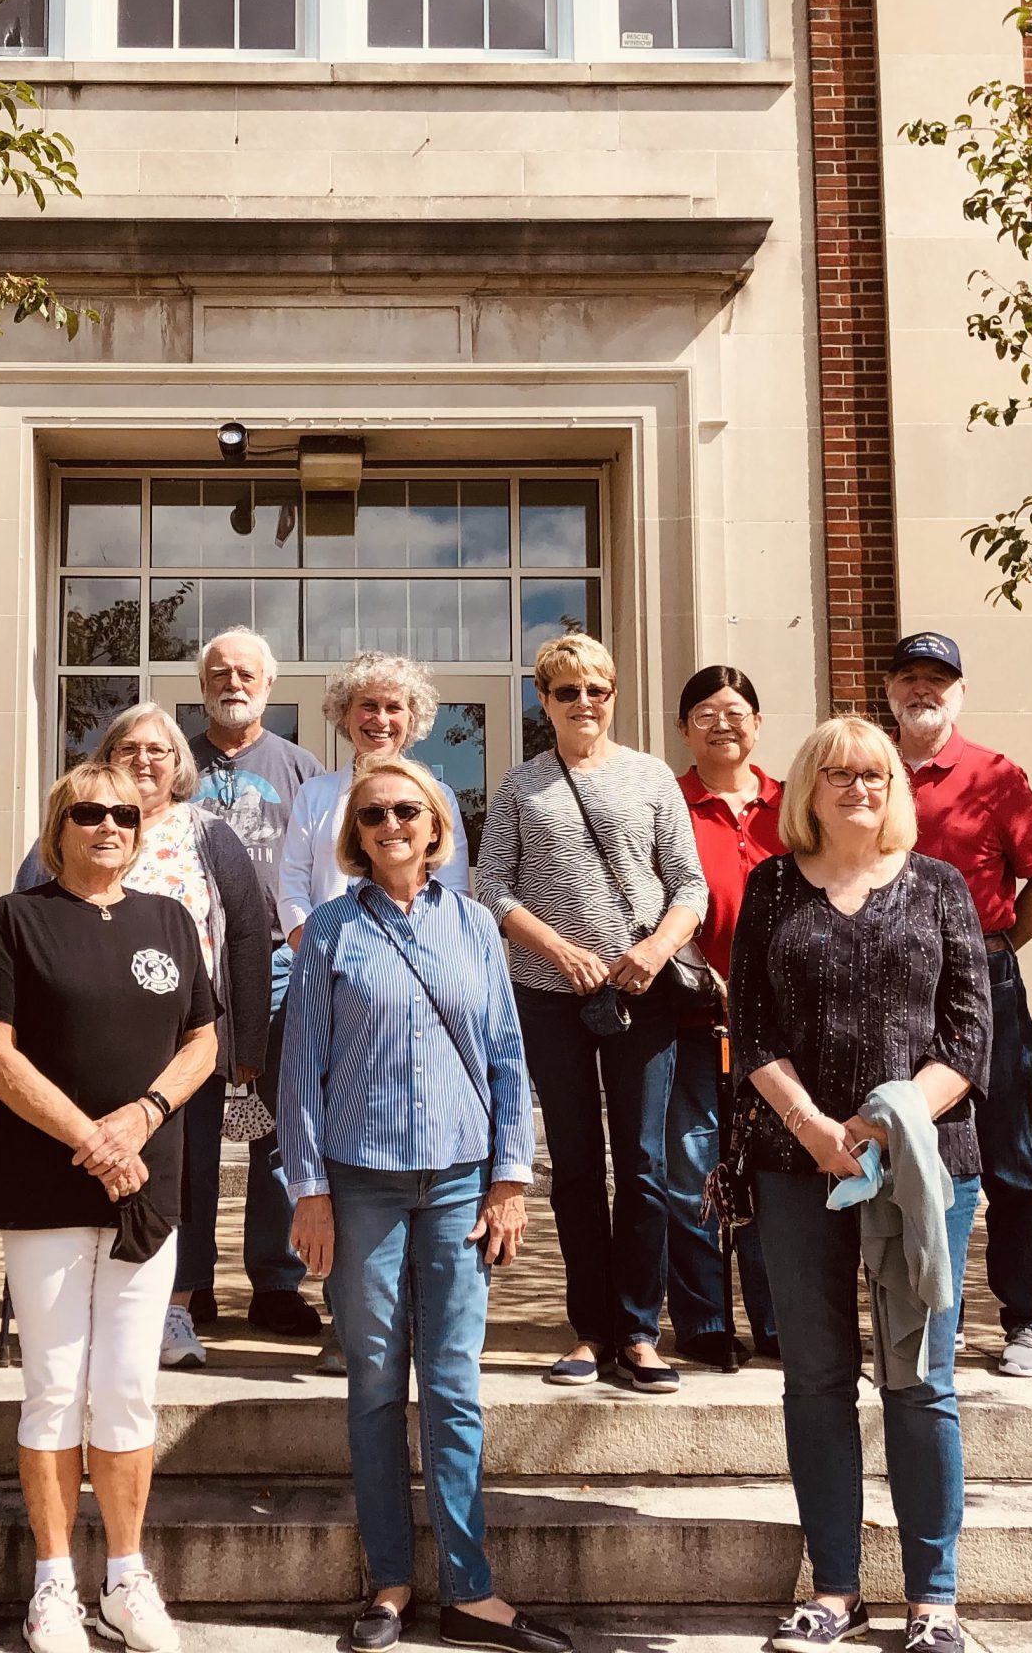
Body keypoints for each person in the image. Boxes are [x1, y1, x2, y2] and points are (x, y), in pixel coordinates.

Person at [283, 759, 570, 1653]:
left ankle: (471, 1589)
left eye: (409, 809)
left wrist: (511, 1177)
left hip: (458, 1183)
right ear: (356, 832)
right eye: (374, 814)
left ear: (437, 824)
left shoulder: (479, 926)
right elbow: (299, 1077)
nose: (392, 823)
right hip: (360, 1180)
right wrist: (311, 1193)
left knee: (452, 1384)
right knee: (373, 1382)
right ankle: (391, 1584)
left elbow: (507, 1058)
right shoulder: (329, 929)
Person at [732, 714, 991, 1653]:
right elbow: (752, 1030)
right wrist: (811, 1128)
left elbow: (967, 1037)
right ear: (808, 787)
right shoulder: (769, 890)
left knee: (920, 1383)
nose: (858, 786)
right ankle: (834, 1591)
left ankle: (936, 1602)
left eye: (875, 771)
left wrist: (886, 1122)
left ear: (897, 786)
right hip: (800, 1169)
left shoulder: (940, 889)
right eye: (837, 773)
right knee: (816, 1380)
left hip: (925, 1171)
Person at [0, 763, 222, 1653]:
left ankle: (123, 1577)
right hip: (47, 1191)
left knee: (125, 1390)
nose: (109, 824)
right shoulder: (17, 921)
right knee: (53, 1389)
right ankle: (52, 1586)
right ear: (58, 826)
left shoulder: (169, 920)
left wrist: (143, 1118)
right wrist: (93, 1137)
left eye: (124, 812)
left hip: (147, 1192)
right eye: (88, 812)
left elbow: (203, 1038)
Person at [473, 635, 708, 1394]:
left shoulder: (649, 780)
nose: (583, 704)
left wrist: (653, 950)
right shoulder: (519, 786)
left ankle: (639, 1333)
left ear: (613, 695)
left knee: (642, 1165)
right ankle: (588, 1331)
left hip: (641, 995)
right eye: (567, 692)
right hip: (550, 997)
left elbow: (690, 886)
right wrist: (557, 949)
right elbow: (492, 889)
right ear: (543, 701)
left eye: (596, 690)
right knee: (574, 1168)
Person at [18, 705, 272, 1372]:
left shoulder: (209, 836)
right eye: (129, 747)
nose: (145, 759)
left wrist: (245, 1044)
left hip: (186, 1042)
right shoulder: (73, 830)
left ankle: (176, 1308)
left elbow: (246, 934)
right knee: (81, 1163)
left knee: (186, 1180)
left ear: (178, 763)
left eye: (158, 749)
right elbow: (27, 919)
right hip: (78, 1041)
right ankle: (75, 1308)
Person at [886, 631, 1032, 1378]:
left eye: (938, 679)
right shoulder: (867, 771)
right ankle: (936, 1315)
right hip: (894, 991)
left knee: (1007, 1154)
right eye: (910, 679)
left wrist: (995, 952)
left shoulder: (995, 776)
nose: (923, 690)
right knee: (908, 1153)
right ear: (890, 692)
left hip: (984, 984)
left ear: (958, 692)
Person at [185, 626, 327, 1340]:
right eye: (218, 672)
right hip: (191, 972)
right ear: (202, 684)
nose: (232, 682)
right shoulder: (173, 762)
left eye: (245, 673)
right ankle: (191, 1282)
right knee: (191, 1134)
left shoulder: (301, 769)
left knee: (279, 1136)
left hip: (278, 970)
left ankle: (275, 1283)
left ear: (269, 686)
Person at [668, 665, 784, 1369]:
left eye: (736, 711)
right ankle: (705, 1317)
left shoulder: (793, 803)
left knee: (775, 1173)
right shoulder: (666, 801)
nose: (722, 724)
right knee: (693, 1166)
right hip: (689, 1013)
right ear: (684, 729)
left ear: (758, 724)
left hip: (780, 1025)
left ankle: (779, 1318)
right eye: (705, 713)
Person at [276, 651, 473, 937]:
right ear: (345, 713)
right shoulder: (314, 794)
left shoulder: (437, 796)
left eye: (394, 707)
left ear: (412, 717)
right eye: (368, 705)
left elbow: (453, 889)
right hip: (325, 950)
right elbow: (292, 887)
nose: (381, 720)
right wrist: (315, 949)